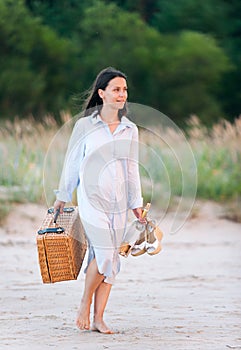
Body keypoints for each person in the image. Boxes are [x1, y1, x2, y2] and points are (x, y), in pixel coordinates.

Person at [54, 67, 145, 334]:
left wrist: (136, 203)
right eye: (116, 89)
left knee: (111, 260)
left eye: (125, 89)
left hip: (118, 203)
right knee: (105, 254)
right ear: (102, 93)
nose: (122, 94)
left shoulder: (130, 129)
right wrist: (62, 195)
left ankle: (99, 318)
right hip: (91, 200)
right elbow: (72, 163)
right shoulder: (85, 125)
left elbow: (132, 169)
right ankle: (84, 305)